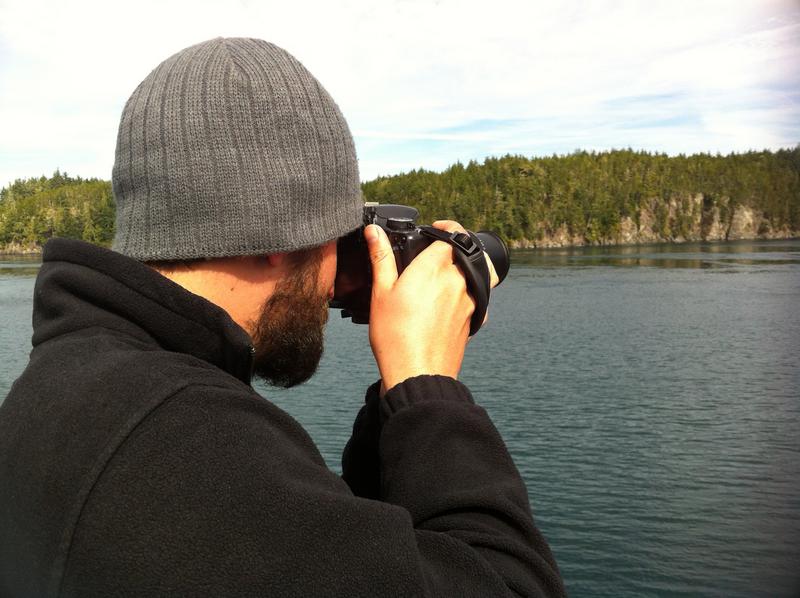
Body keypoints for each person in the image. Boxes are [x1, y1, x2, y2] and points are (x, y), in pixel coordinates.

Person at [0, 37, 565, 597]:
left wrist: (395, 402)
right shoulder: (191, 447)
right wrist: (428, 385)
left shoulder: (73, 388)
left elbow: (356, 551)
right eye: (334, 235)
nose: (330, 283)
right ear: (273, 229)